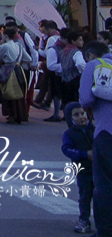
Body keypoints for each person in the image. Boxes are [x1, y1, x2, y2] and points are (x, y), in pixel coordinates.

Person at [77, 40, 110, 236]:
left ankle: (105, 229)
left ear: (90, 55)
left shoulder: (94, 65)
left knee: (104, 183)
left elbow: (86, 99)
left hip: (107, 132)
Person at [63, 101, 95, 234]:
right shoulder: (69, 133)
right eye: (76, 115)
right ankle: (84, 220)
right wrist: (83, 154)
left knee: (101, 195)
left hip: (99, 169)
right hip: (82, 170)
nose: (81, 117)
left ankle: (103, 221)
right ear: (70, 118)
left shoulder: (94, 129)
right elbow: (66, 149)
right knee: (85, 196)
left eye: (83, 113)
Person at [0, 24, 32, 125]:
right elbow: (28, 58)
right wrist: (18, 61)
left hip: (8, 70)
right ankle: (20, 115)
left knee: (9, 93)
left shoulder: (4, 46)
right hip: (19, 70)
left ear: (5, 36)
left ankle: (11, 115)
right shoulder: (19, 45)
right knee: (19, 93)